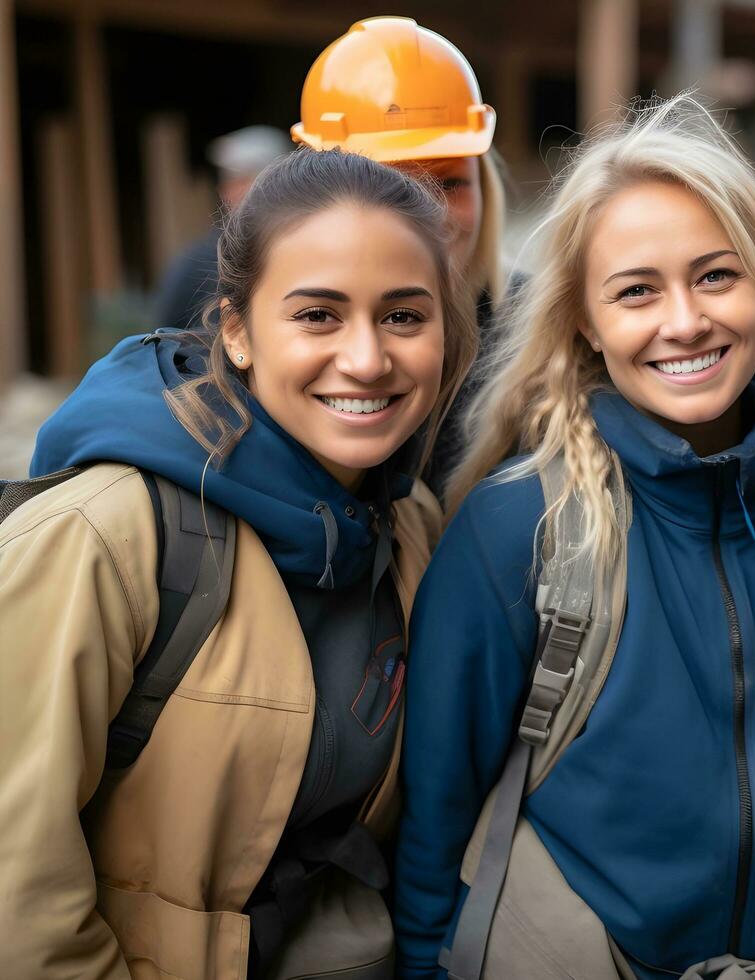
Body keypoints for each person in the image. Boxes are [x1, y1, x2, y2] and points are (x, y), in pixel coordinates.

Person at [393, 96, 755, 979]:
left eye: (716, 275)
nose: (685, 321)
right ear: (583, 322)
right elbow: (432, 835)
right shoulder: (513, 531)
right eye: (636, 291)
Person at [0, 148, 477, 978]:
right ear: (236, 330)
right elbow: (16, 895)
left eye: (404, 316)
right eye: (318, 316)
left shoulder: (409, 528)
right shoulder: (108, 538)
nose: (367, 359)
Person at [293, 15, 508, 494]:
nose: (427, 215)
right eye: (396, 186)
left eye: (450, 183)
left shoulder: (542, 334)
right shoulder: (273, 339)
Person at [152, 124, 290, 330]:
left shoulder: (305, 247)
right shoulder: (200, 259)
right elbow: (165, 331)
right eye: (228, 182)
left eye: (244, 180)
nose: (230, 192)